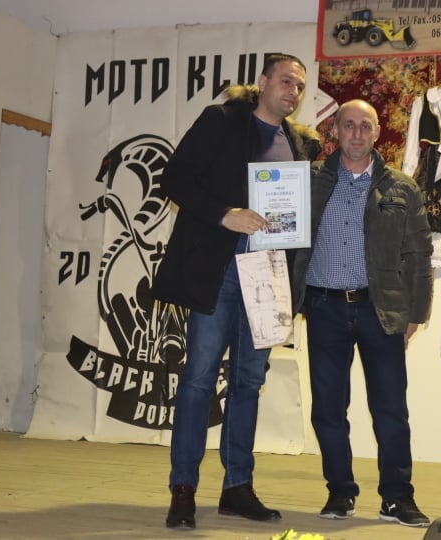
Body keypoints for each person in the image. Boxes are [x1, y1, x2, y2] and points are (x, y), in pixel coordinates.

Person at [152, 53, 321, 531]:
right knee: (199, 378)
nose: (293, 91)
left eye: (299, 86)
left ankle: (237, 488)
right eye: (285, 81)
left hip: (268, 274)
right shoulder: (222, 120)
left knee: (249, 381)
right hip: (219, 270)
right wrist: (224, 214)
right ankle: (183, 488)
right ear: (262, 82)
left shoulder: (299, 144)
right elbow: (174, 178)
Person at [291, 99, 433, 528]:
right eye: (348, 125)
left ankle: (397, 498)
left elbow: (419, 254)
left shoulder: (402, 188)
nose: (356, 133)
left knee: (390, 410)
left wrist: (416, 314)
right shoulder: (309, 181)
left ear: (376, 133)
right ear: (334, 131)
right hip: (324, 309)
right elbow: (282, 232)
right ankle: (340, 492)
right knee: (328, 409)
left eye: (365, 126)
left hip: (380, 310)